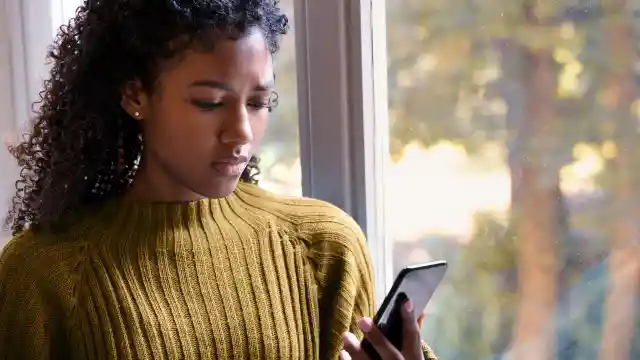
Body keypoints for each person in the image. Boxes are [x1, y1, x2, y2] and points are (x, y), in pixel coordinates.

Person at [0, 1, 438, 359]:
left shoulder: (324, 248)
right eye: (210, 103)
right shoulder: (44, 274)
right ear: (135, 96)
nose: (242, 132)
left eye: (259, 101)